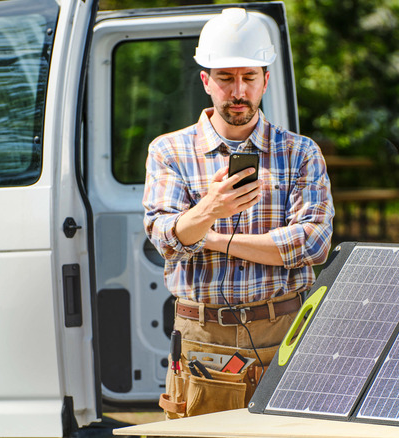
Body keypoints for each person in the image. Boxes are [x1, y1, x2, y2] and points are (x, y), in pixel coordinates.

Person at [142, 7, 334, 418]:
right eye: (226, 78)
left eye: (248, 78)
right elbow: (164, 237)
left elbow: (313, 243)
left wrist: (212, 237)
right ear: (206, 81)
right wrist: (210, 208)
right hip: (202, 335)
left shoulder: (300, 152)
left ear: (265, 80)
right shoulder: (169, 151)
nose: (238, 92)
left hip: (284, 326)